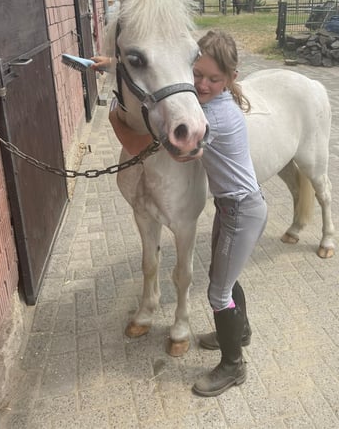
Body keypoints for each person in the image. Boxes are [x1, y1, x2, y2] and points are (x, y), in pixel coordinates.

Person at [92, 30, 267, 397]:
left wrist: (113, 117)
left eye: (213, 79)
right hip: (231, 207)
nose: (201, 85)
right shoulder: (208, 101)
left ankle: (233, 367)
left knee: (218, 292)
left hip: (243, 210)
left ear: (231, 80)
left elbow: (141, 145)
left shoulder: (211, 119)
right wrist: (115, 64)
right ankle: (239, 331)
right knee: (225, 275)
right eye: (196, 75)